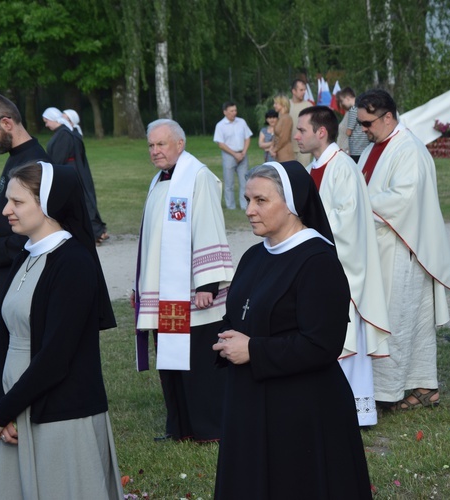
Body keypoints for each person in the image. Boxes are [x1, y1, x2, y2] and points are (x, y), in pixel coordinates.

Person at [212, 161, 371, 498]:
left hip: (302, 411)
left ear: (292, 203)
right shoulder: (254, 255)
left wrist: (253, 350)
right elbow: (242, 313)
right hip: (251, 401)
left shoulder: (317, 261)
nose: (250, 211)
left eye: (261, 201)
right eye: (247, 200)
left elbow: (322, 344)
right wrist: (228, 337)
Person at [0, 161, 122, 498]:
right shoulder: (26, 256)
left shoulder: (73, 263)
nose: (6, 211)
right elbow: (2, 341)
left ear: (46, 204)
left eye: (17, 202)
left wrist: (2, 412)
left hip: (59, 411)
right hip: (14, 407)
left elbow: (56, 357)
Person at [356, 89, 450, 410]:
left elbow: (404, 199)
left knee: (396, 319)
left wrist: (354, 207)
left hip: (401, 249)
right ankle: (424, 386)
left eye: (368, 123)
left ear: (388, 117)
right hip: (377, 248)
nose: (363, 130)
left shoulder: (409, 149)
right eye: (360, 123)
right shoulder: (372, 148)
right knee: (410, 320)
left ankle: (387, 392)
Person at [133, 119, 234, 442]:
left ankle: (208, 427)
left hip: (193, 294)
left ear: (180, 144)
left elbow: (208, 225)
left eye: (161, 144)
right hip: (166, 294)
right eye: (151, 145)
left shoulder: (197, 177)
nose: (155, 151)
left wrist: (207, 284)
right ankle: (178, 426)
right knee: (171, 361)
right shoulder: (160, 180)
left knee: (198, 364)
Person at [295, 105, 391, 426]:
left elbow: (346, 223)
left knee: (346, 342)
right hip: (323, 265)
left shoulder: (342, 168)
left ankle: (356, 412)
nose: (296, 136)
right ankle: (333, 406)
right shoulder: (315, 167)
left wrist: (306, 232)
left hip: (344, 269)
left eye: (301, 130)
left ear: (321, 132)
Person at [0, 94, 51, 413]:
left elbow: (34, 233)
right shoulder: (15, 157)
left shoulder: (34, 162)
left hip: (16, 272)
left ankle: (5, 411)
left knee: (5, 349)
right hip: (3, 271)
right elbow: (3, 218)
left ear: (6, 122)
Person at [42, 107, 108, 244]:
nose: (46, 125)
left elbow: (59, 158)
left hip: (69, 171)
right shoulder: (64, 133)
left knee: (80, 201)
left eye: (47, 121)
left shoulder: (64, 134)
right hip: (72, 171)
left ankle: (95, 232)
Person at [213, 101, 253, 210]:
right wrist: (234, 154)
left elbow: (247, 137)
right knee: (229, 183)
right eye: (231, 111)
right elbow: (220, 144)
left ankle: (245, 206)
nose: (234, 113)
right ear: (225, 112)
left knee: (244, 182)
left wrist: (243, 152)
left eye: (235, 110)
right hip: (229, 156)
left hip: (242, 154)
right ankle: (231, 207)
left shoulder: (241, 122)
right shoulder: (220, 125)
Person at [337, 87, 371, 163]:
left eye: (342, 101)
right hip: (365, 147)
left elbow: (349, 131)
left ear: (347, 98)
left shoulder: (353, 110)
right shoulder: (363, 108)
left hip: (356, 149)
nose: (342, 104)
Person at [288, 79, 313, 166]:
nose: (304, 92)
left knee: (303, 174)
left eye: (304, 90)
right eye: (301, 90)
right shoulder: (286, 105)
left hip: (304, 148)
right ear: (294, 91)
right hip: (288, 148)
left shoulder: (309, 106)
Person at [270, 94, 295, 162]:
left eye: (276, 103)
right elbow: (276, 135)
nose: (274, 105)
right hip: (279, 152)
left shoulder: (287, 118)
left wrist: (274, 149)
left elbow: (284, 138)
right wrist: (272, 147)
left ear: (283, 104)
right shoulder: (280, 118)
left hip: (285, 153)